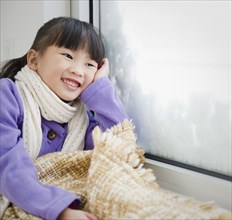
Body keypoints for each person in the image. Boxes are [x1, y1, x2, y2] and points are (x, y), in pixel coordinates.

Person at [0, 17, 127, 220]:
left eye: (89, 64)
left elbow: (118, 150)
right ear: (33, 60)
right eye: (68, 55)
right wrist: (59, 211)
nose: (78, 70)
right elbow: (8, 165)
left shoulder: (82, 120)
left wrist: (100, 88)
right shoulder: (7, 95)